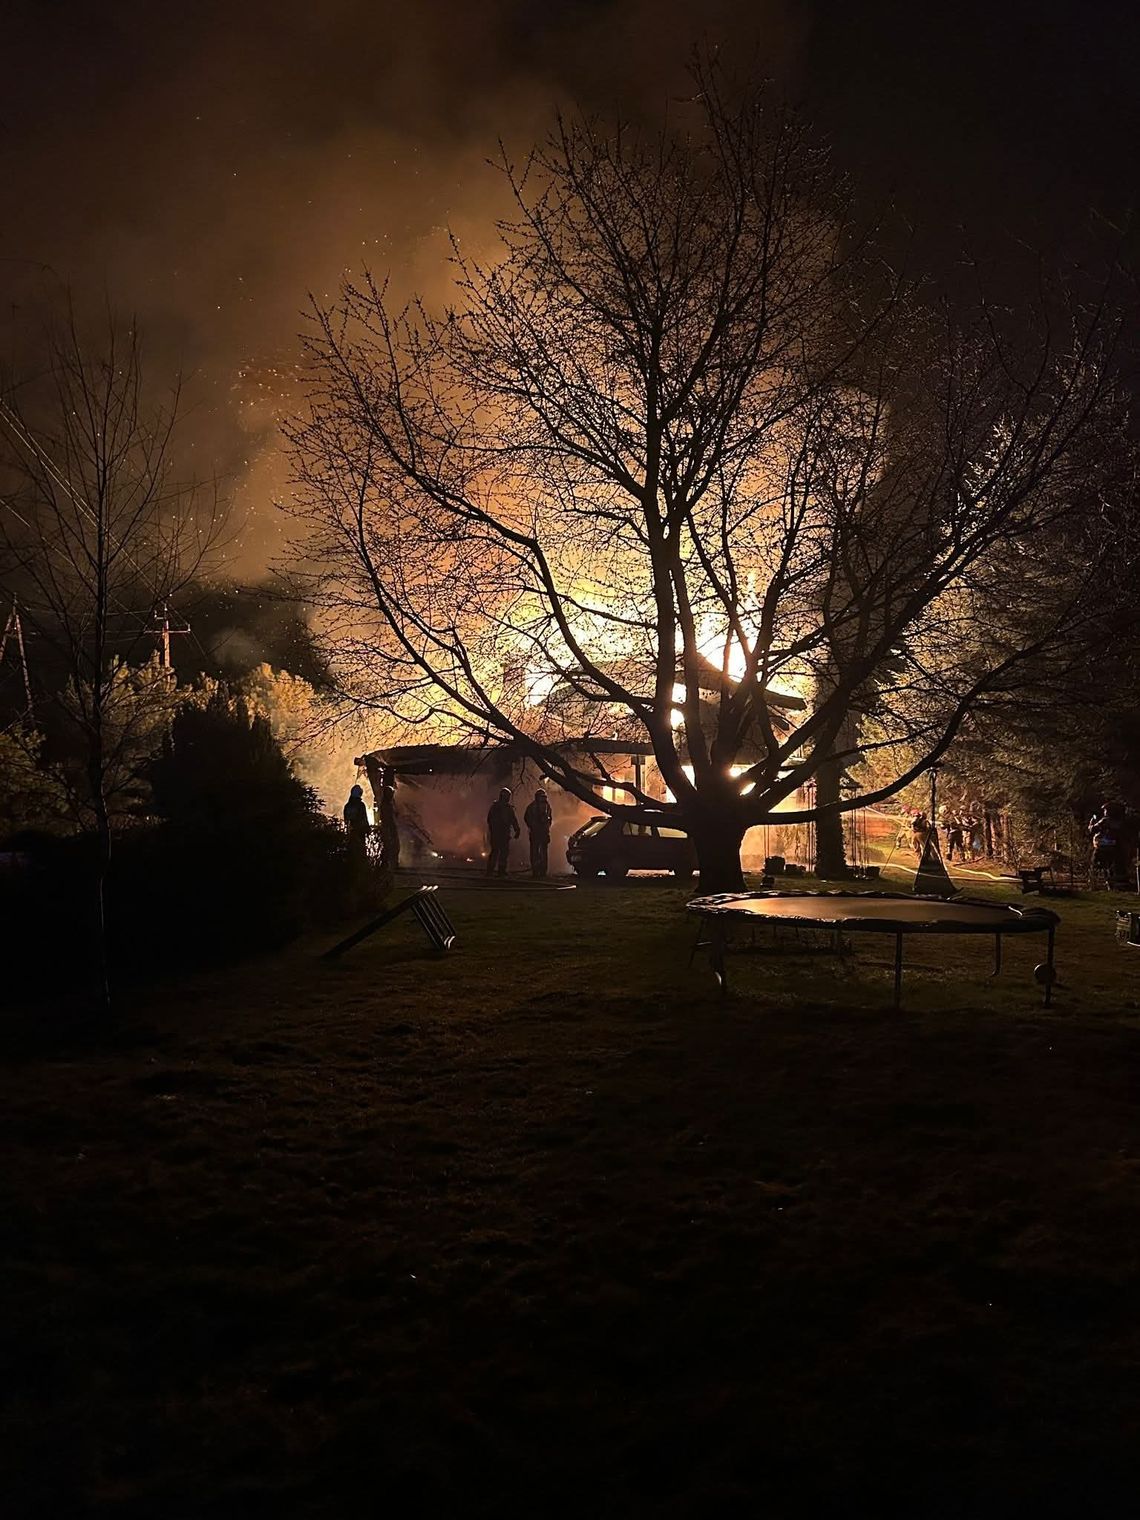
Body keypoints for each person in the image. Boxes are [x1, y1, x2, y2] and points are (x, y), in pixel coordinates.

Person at [486, 787, 520, 876]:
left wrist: (517, 830)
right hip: (498, 834)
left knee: (503, 853)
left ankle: (500, 870)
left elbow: (513, 820)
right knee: (496, 852)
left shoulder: (507, 808)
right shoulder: (496, 807)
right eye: (507, 796)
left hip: (503, 834)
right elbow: (490, 820)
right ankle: (491, 870)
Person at [523, 787, 553, 878]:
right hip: (539, 832)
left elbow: (549, 819)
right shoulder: (536, 807)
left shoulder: (545, 807)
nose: (543, 799)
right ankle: (539, 871)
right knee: (539, 852)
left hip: (540, 832)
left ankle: (540, 871)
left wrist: (533, 826)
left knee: (537, 852)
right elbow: (527, 818)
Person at [343, 784, 369, 860]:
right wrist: (367, 828)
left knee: (352, 849)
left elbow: (346, 819)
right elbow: (364, 818)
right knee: (360, 850)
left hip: (351, 831)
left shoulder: (347, 806)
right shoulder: (361, 805)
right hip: (360, 831)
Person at [379, 782, 400, 870]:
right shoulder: (387, 805)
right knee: (393, 846)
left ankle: (387, 864)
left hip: (388, 827)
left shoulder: (386, 804)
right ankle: (390, 865)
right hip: (389, 828)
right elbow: (389, 817)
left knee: (390, 847)